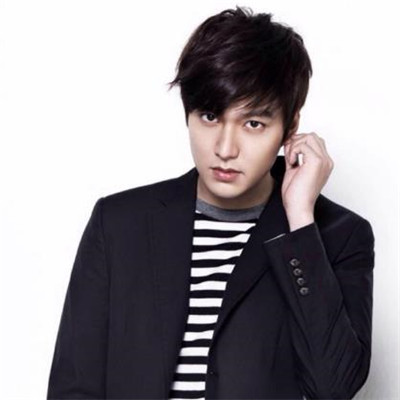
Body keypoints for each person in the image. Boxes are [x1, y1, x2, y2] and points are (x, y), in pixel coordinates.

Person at [47, 6, 375, 400]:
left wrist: (301, 219)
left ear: (289, 128)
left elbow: (333, 388)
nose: (225, 148)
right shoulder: (118, 224)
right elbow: (74, 387)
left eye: (253, 124)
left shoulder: (338, 236)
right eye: (209, 116)